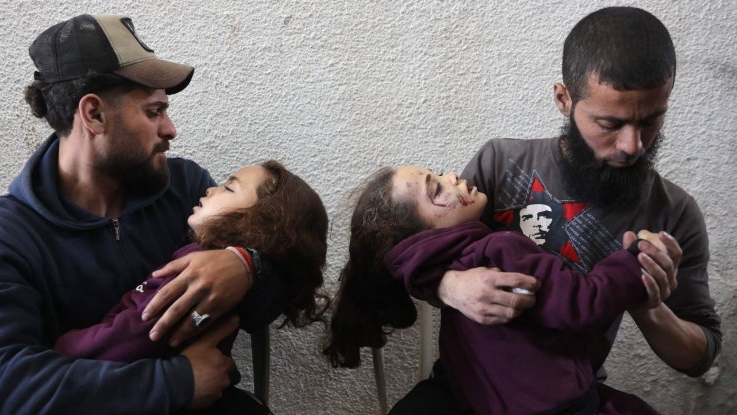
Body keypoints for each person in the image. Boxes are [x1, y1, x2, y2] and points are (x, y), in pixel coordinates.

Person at [390, 6, 722, 414]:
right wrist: (451, 288)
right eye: (610, 124)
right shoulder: (499, 164)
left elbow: (699, 356)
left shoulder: (675, 213)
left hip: (564, 399)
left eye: (652, 121)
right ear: (564, 99)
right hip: (465, 388)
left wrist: (649, 305)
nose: (633, 145)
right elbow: (413, 252)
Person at [0, 14, 278, 414]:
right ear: (93, 115)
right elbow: (2, 393)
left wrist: (248, 267)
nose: (171, 129)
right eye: (154, 111)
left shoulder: (189, 189)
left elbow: (284, 293)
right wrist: (176, 383)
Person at [325, 166, 662, 414]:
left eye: (439, 174)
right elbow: (584, 301)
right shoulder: (499, 249)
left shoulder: (426, 264)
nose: (453, 177)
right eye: (437, 190)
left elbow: (400, 263)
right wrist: (635, 263)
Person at [54, 161, 329, 364]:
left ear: (261, 222)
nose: (209, 189)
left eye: (229, 188)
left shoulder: (200, 266)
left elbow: (138, 332)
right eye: (151, 111)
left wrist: (66, 348)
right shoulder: (19, 227)